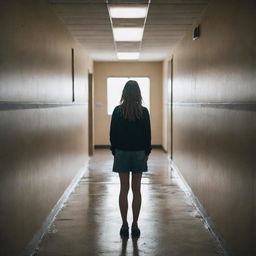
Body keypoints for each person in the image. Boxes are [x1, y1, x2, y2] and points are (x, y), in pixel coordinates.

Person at [109, 80, 152, 238]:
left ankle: (124, 225)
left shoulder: (117, 111)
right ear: (138, 94)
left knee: (123, 190)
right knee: (137, 190)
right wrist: (146, 152)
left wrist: (115, 151)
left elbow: (112, 134)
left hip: (122, 153)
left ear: (124, 93)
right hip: (139, 153)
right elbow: (148, 135)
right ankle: (135, 225)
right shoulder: (144, 112)